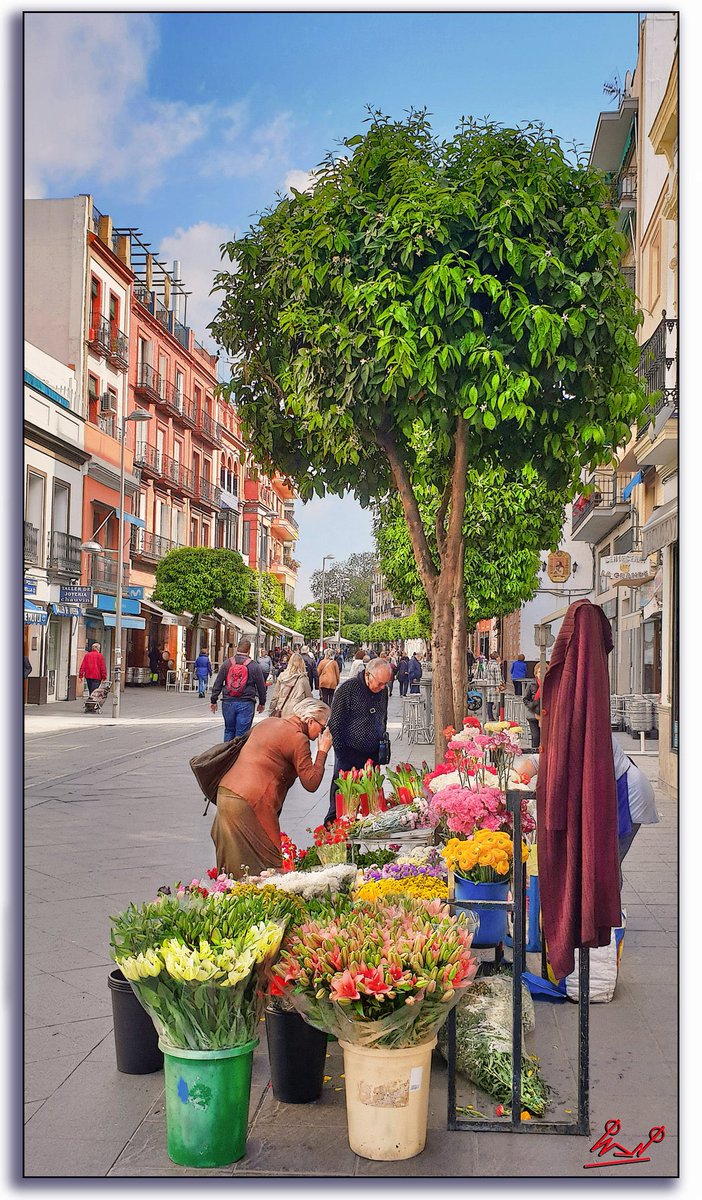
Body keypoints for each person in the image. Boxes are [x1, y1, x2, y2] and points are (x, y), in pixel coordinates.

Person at [211, 697, 333, 878]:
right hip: (252, 802)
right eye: (322, 727)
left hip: (227, 791)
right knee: (270, 865)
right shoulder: (298, 738)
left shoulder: (269, 723)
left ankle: (226, 899)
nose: (322, 733)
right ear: (309, 720)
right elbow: (311, 782)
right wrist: (322, 751)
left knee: (230, 864)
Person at [324, 657, 393, 823]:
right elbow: (335, 724)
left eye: (386, 684)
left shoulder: (382, 692)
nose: (383, 688)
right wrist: (343, 753)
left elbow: (383, 718)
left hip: (372, 757)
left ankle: (361, 839)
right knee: (341, 803)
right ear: (368, 675)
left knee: (367, 805)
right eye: (380, 683)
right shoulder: (348, 690)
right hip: (349, 756)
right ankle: (335, 837)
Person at [612, 734, 659, 885]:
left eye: (540, 720)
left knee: (609, 862)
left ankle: (611, 906)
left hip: (629, 796)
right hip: (624, 792)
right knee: (609, 861)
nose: (539, 726)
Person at [210, 638, 267, 742]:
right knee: (242, 735)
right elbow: (261, 687)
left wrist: (213, 700)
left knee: (228, 730)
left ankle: (226, 756)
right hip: (246, 703)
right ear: (249, 650)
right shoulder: (254, 666)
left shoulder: (227, 663)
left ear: (237, 648)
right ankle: (238, 757)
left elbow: (218, 683)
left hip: (228, 702)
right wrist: (262, 703)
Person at [268, 651, 312, 718]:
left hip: (282, 709)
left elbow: (275, 696)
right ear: (302, 663)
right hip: (296, 711)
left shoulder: (282, 676)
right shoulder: (303, 679)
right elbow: (308, 697)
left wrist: (271, 710)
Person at [522, 663, 542, 749]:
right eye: (540, 672)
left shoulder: (550, 685)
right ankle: (535, 755)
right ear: (536, 673)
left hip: (546, 715)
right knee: (536, 736)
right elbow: (525, 699)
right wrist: (534, 707)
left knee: (544, 738)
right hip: (533, 715)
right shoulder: (531, 684)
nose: (542, 674)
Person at [484, 651, 504, 721]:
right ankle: (499, 716)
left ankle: (490, 716)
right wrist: (499, 686)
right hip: (495, 685)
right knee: (499, 701)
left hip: (489, 684)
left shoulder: (488, 665)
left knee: (489, 702)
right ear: (496, 657)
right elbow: (498, 677)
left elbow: (485, 675)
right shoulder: (496, 665)